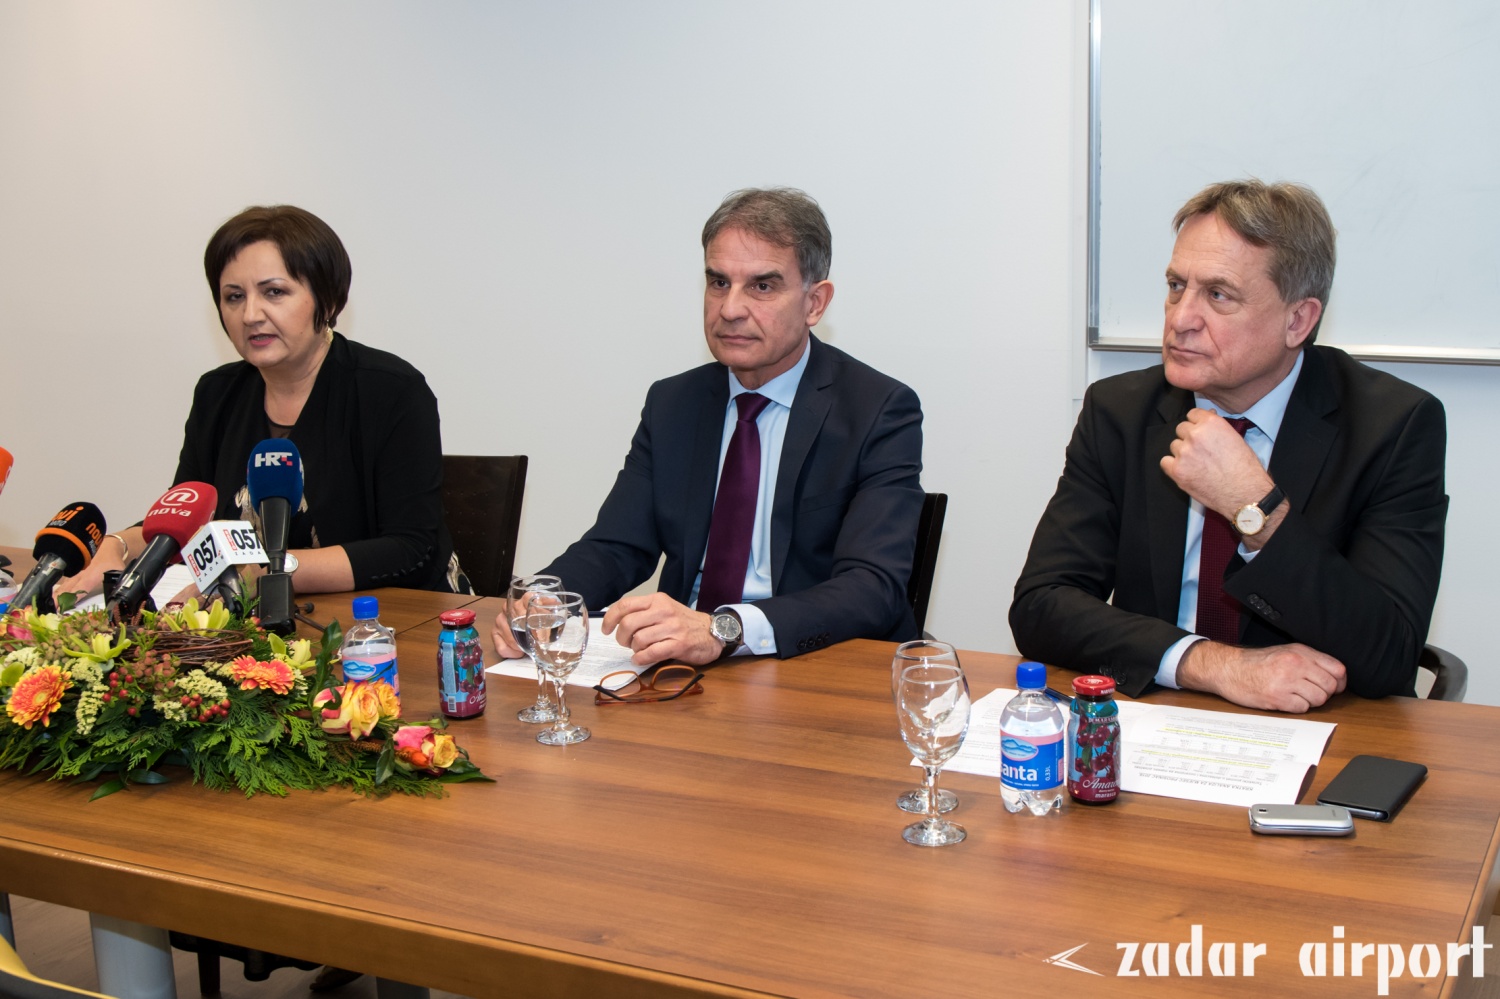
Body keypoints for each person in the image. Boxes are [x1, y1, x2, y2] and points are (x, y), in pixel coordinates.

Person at [1009, 179, 1447, 713]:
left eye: (1218, 295)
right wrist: (1213, 665)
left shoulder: (1394, 426)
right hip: (1159, 713)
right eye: (1176, 286)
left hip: (1316, 727)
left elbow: (1390, 655)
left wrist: (1255, 510)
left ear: (1298, 320)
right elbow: (1042, 604)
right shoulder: (1120, 411)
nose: (1180, 318)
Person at [496, 187, 924, 666]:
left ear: (815, 303)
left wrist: (724, 628)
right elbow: (617, 546)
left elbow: (871, 587)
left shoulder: (877, 410)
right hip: (683, 665)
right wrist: (546, 600)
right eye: (719, 282)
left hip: (809, 663)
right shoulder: (673, 403)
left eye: (762, 286)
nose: (730, 309)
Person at [61, 205, 462, 600]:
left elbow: (409, 548)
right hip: (256, 620)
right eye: (234, 296)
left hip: (397, 618)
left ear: (327, 299)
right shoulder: (217, 394)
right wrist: (117, 547)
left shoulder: (391, 390)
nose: (250, 314)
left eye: (274, 292)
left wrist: (263, 574)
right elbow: (185, 522)